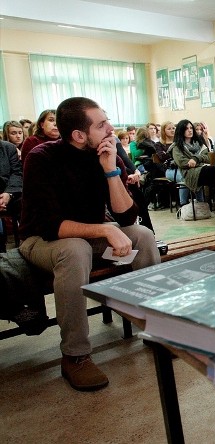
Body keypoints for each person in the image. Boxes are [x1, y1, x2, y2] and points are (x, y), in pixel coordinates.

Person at [19, 97, 160, 391]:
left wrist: (110, 171)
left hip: (90, 235)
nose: (111, 128)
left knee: (143, 235)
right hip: (41, 241)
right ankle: (76, 356)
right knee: (74, 248)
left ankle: (157, 328)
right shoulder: (41, 158)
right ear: (78, 136)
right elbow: (50, 225)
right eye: (101, 124)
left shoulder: (107, 152)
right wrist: (105, 231)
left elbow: (127, 215)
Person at [171, 119, 215, 225]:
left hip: (203, 169)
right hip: (191, 174)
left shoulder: (199, 142)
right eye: (186, 128)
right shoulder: (177, 147)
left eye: (191, 128)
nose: (190, 130)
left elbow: (208, 158)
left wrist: (196, 159)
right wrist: (198, 160)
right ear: (181, 130)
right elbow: (182, 163)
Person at [0, 139, 22, 252]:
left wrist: (8, 194)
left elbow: (16, 173)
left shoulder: (8, 148)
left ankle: (28, 246)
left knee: (27, 202)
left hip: (8, 193)